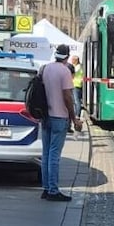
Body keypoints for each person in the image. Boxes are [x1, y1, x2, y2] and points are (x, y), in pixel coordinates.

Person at [40, 44, 76, 201]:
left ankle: (46, 188)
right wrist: (74, 118)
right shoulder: (65, 71)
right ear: (67, 56)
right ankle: (53, 191)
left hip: (46, 116)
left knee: (46, 154)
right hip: (59, 116)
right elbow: (68, 97)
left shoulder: (46, 68)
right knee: (54, 155)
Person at [70, 55, 84, 129]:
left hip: (76, 85)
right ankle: (76, 114)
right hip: (75, 84)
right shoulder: (78, 66)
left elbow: (73, 73)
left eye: (72, 60)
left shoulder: (77, 67)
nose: (71, 61)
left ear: (76, 60)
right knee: (75, 101)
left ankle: (77, 115)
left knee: (76, 101)